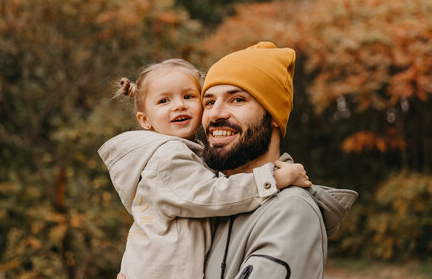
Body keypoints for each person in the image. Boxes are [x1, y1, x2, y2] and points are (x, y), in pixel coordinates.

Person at [98, 58, 312, 279]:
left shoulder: (291, 209)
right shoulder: (167, 158)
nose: (179, 105)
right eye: (164, 101)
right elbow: (215, 194)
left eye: (189, 96)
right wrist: (272, 179)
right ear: (145, 120)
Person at [199, 42, 358, 278]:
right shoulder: (207, 203)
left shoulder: (291, 210)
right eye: (209, 102)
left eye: (237, 100)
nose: (215, 113)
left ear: (274, 116)